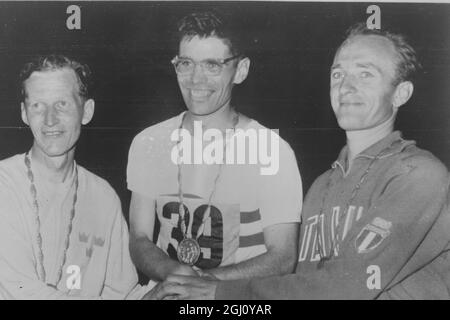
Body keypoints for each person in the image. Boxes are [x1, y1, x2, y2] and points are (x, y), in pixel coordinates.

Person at [151, 23, 450, 299]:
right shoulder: (321, 187)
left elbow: (344, 288)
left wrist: (220, 293)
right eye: (338, 74)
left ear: (401, 93)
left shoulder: (419, 175)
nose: (346, 86)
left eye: (366, 74)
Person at [127, 11, 303, 285]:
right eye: (186, 63)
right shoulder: (149, 142)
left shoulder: (271, 150)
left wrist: (202, 283)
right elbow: (139, 239)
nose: (196, 79)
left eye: (212, 65)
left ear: (240, 70)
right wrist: (173, 276)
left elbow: (283, 257)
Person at [0, 55, 146, 299]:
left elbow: (122, 292)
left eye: (62, 104)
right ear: (24, 113)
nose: (49, 119)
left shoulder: (103, 196)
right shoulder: (5, 184)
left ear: (86, 111)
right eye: (37, 105)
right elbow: (22, 292)